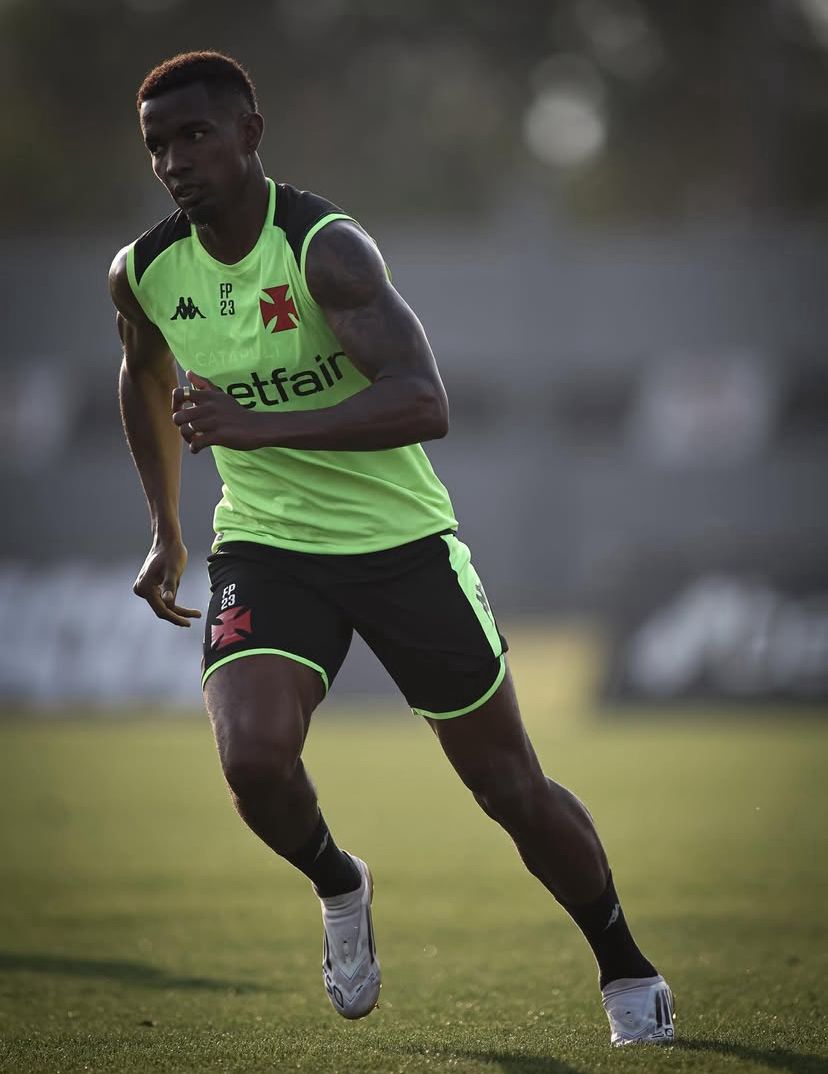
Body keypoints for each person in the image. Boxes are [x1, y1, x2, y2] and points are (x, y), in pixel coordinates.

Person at [109, 50, 674, 1046]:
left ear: (250, 134)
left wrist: (258, 427)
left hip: (402, 546)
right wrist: (166, 529)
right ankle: (340, 884)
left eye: (195, 136)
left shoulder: (326, 252)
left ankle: (624, 964)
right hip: (268, 546)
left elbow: (424, 401)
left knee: (511, 789)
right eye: (158, 146)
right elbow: (142, 374)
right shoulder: (145, 272)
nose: (175, 162)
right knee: (254, 762)